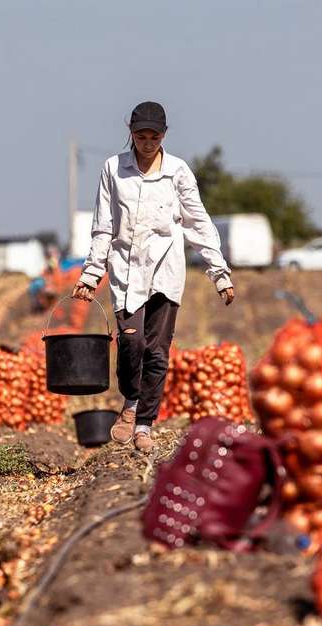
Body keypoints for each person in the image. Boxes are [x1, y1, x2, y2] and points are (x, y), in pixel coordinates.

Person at [72, 101, 235, 452]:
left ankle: (144, 423)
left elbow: (198, 222)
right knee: (131, 343)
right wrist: (91, 274)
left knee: (158, 352)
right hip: (127, 269)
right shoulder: (113, 169)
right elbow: (103, 226)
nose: (147, 142)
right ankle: (130, 402)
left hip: (166, 269)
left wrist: (218, 273)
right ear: (130, 133)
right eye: (141, 135)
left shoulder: (177, 172)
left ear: (164, 135)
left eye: (154, 136)